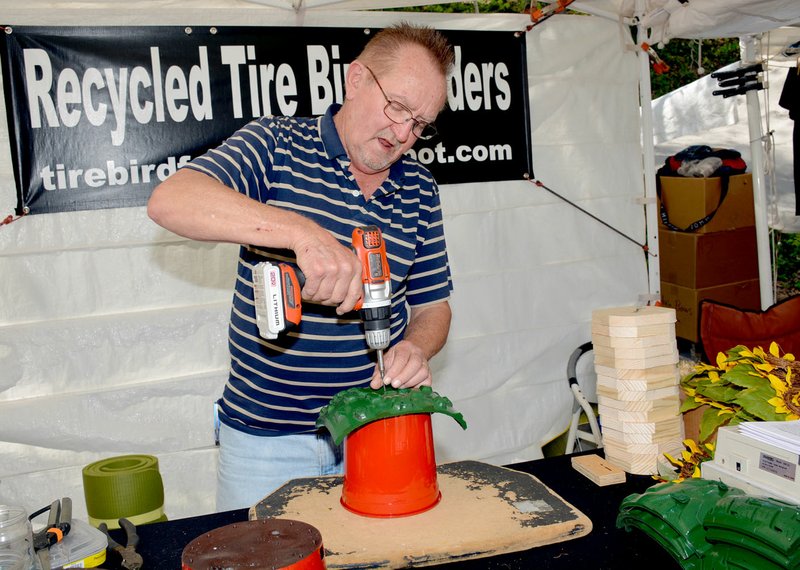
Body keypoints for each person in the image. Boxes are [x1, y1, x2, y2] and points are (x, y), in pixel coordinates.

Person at [147, 22, 455, 511]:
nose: (402, 134)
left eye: (420, 124)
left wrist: (415, 348)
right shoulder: (276, 144)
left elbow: (434, 305)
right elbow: (171, 201)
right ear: (356, 80)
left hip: (374, 432)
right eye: (397, 107)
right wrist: (301, 233)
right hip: (267, 446)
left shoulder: (420, 187)